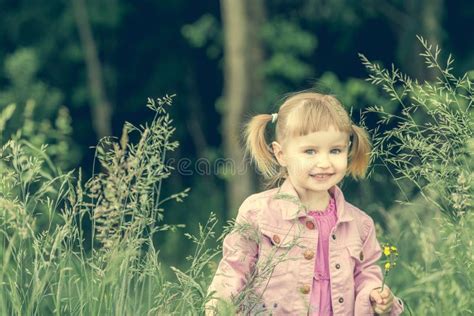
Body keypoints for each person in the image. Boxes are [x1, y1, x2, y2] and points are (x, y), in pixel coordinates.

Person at [206, 92, 404, 315]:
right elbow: (234, 269)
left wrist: (375, 294)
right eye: (310, 151)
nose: (324, 162)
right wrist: (218, 309)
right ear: (281, 154)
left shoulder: (360, 224)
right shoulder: (258, 212)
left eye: (335, 150)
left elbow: (366, 275)